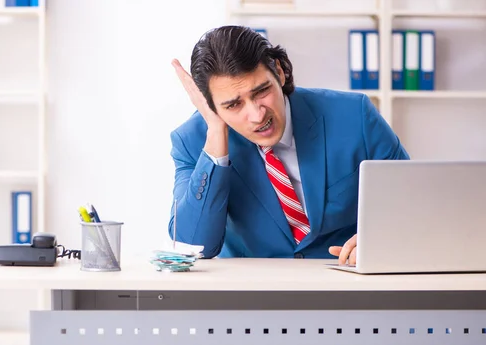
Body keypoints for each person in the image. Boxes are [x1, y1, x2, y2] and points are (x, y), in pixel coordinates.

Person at [168, 25, 409, 265]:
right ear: (211, 107)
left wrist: (381, 237)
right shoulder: (192, 141)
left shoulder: (354, 116)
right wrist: (216, 141)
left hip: (348, 285)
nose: (257, 115)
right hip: (252, 293)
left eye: (261, 91)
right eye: (233, 105)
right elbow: (193, 246)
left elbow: (413, 204)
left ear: (280, 73)